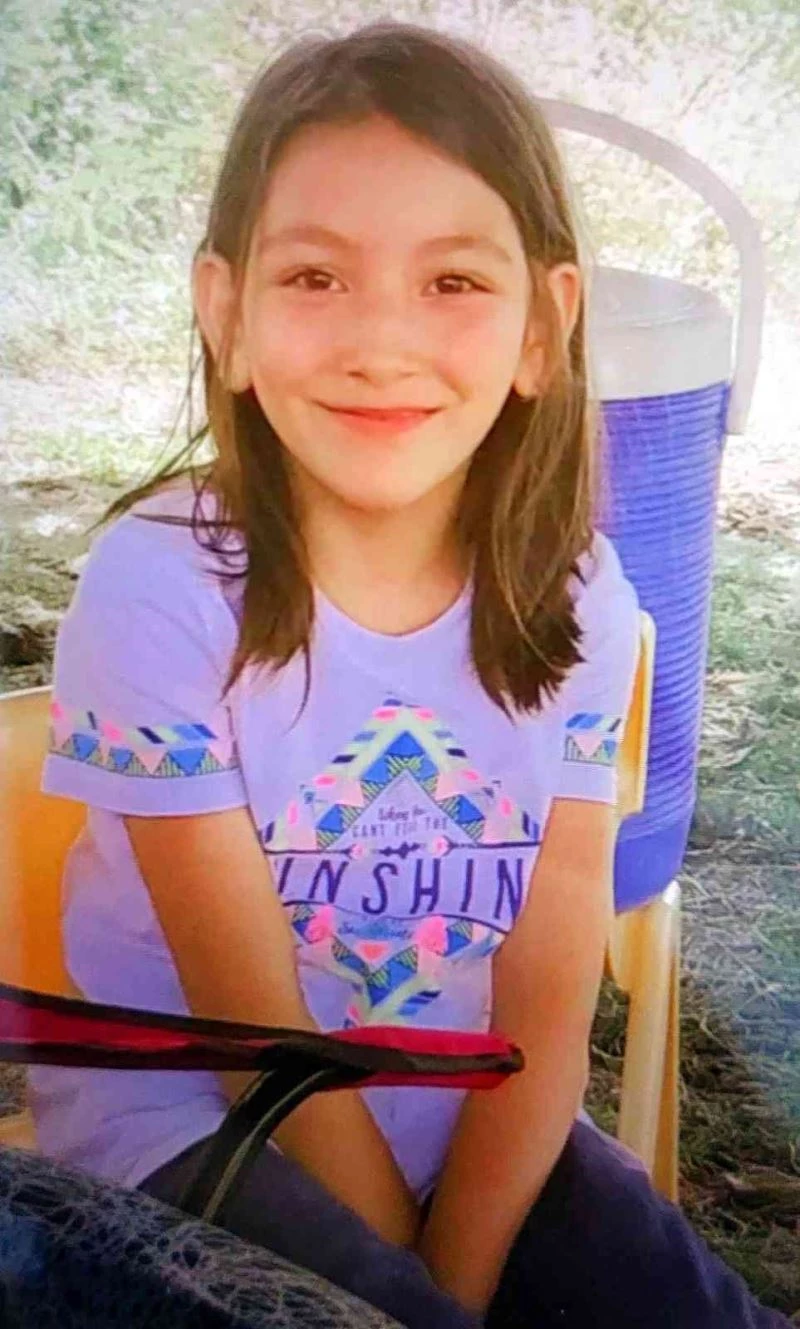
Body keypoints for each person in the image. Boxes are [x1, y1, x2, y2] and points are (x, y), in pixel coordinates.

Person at [28, 19, 791, 1329]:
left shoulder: (579, 597)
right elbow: (249, 1025)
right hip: (194, 1121)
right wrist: (426, 1299)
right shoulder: (159, 590)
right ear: (228, 315)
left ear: (545, 327)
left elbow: (551, 973)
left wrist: (464, 1268)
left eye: (452, 281)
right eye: (316, 276)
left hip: (469, 1109)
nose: (381, 340)